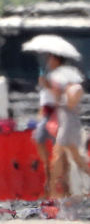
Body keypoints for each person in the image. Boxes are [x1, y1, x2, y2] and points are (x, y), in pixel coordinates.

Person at [48, 64, 90, 199]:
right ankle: (56, 191)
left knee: (76, 159)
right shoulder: (63, 89)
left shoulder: (77, 88)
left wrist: (63, 93)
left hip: (71, 127)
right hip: (64, 124)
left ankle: (55, 192)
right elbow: (57, 104)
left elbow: (71, 104)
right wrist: (57, 93)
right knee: (61, 158)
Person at [32, 54, 60, 197]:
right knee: (38, 138)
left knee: (58, 149)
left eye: (51, 59)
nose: (49, 62)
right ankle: (48, 169)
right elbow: (44, 98)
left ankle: (55, 183)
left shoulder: (61, 75)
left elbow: (59, 95)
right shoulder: (47, 74)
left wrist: (47, 84)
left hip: (57, 113)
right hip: (46, 113)